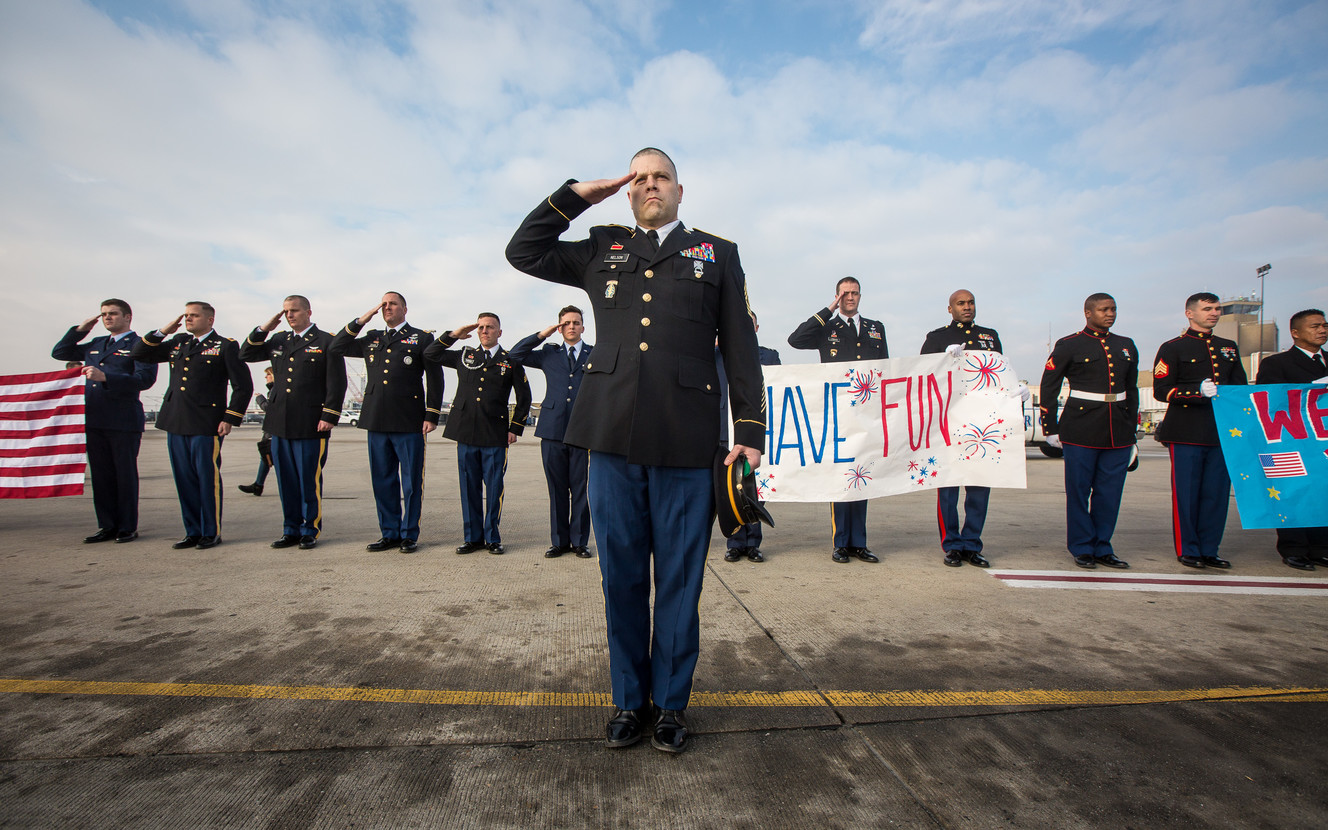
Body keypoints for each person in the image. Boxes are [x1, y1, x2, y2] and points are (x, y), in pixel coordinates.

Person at [505, 147, 765, 754]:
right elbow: (523, 252)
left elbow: (741, 348)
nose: (651, 186)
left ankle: (671, 705)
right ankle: (629, 699)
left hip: (687, 437)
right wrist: (575, 196)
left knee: (679, 578)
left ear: (680, 188)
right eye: (640, 179)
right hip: (611, 437)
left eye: (661, 177)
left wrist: (748, 428)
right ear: (627, 192)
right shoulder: (601, 246)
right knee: (620, 576)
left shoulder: (716, 254)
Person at [130, 301, 252, 549]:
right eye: (186, 315)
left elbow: (243, 386)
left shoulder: (224, 346)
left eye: (194, 316)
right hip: (176, 420)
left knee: (206, 478)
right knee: (183, 479)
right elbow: (139, 353)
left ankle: (210, 531)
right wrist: (164, 331)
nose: (188, 319)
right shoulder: (178, 342)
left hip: (206, 422)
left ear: (210, 320)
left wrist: (230, 418)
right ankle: (192, 531)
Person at [329, 292, 442, 554]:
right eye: (383, 304)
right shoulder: (371, 338)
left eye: (392, 304)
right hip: (376, 418)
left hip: (409, 419)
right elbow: (337, 347)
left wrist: (431, 414)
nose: (387, 307)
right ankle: (389, 533)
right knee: (382, 479)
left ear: (404, 308)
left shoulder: (421, 338)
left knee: (411, 482)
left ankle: (408, 534)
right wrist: (362, 320)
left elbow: (435, 378)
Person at [787, 276, 888, 564]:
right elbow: (796, 340)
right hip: (839, 411)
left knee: (863, 476)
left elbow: (884, 367)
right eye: (844, 294)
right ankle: (841, 542)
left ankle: (860, 543)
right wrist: (828, 309)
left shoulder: (875, 328)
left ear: (860, 296)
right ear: (837, 296)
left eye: (854, 293)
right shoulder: (827, 327)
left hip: (866, 413)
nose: (850, 298)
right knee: (843, 477)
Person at [1039, 293, 1139, 570]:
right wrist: (1050, 427)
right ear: (1088, 312)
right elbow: (1049, 385)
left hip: (1117, 428)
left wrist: (1132, 431)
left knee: (1110, 493)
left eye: (1113, 309)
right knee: (1079, 491)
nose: (1110, 314)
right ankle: (1082, 546)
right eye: (1104, 310)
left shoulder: (1125, 345)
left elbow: (1131, 391)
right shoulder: (1069, 344)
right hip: (1080, 427)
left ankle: (1103, 546)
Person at [239, 296, 347, 550]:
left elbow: (336, 382)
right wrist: (265, 328)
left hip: (310, 422)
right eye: (286, 311)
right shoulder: (278, 340)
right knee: (285, 479)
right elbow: (245, 353)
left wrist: (329, 415)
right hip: (279, 421)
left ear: (308, 312)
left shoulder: (325, 341)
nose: (289, 315)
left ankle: (310, 529)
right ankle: (290, 529)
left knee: (308, 479)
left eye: (294, 311)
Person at [920, 289, 1017, 568]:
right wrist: (943, 361)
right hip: (950, 421)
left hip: (983, 422)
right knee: (948, 490)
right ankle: (951, 545)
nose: (967, 307)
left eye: (971, 302)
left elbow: (999, 373)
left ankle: (972, 544)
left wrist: (1012, 392)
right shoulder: (937, 338)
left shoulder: (990, 335)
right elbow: (924, 376)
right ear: (950, 309)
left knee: (978, 488)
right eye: (961, 303)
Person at [1151, 292, 1247, 569]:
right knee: (1187, 494)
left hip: (1221, 433)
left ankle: (1209, 549)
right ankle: (1189, 549)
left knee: (1216, 495)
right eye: (1207, 309)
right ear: (1189, 313)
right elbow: (1161, 389)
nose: (1214, 313)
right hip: (1186, 431)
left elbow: (1239, 389)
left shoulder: (1228, 347)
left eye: (1217, 309)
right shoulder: (1173, 348)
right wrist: (1194, 391)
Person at [51, 299, 158, 544]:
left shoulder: (141, 345)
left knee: (124, 474)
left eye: (113, 313)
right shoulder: (97, 344)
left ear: (128, 317)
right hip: (94, 417)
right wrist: (81, 329)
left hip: (122, 419)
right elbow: (60, 353)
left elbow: (144, 379)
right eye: (104, 314)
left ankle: (127, 526)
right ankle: (107, 526)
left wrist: (105, 377)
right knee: (101, 476)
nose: (107, 318)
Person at [424, 313, 532, 555]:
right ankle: (472, 538)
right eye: (481, 327)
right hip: (465, 432)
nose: (485, 331)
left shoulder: (510, 361)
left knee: (494, 489)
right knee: (469, 487)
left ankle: (492, 537)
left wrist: (515, 428)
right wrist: (454, 335)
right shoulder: (465, 355)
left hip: (495, 434)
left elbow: (524, 397)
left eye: (490, 327)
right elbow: (431, 354)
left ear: (499, 332)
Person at [508, 306, 595, 559]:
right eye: (566, 323)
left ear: (583, 327)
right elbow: (515, 355)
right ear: (559, 327)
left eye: (576, 322)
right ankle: (559, 542)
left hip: (583, 430)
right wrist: (542, 335)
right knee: (556, 488)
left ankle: (580, 542)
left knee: (580, 489)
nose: (571, 326)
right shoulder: (549, 353)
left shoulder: (594, 353)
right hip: (552, 428)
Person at [1254, 308, 1328, 570]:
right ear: (1295, 333)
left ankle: (1321, 547)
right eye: (1315, 326)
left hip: (1323, 441)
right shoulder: (1277, 364)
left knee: (1322, 491)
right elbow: (1269, 402)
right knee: (1294, 493)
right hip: (1292, 439)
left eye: (1324, 325)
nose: (1322, 330)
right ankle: (1294, 548)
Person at [723, 312, 780, 563]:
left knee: (757, 489)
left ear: (756, 327)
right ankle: (735, 542)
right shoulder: (720, 353)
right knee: (733, 487)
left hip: (758, 432)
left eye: (750, 323)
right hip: (730, 429)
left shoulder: (770, 356)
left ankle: (753, 543)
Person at [238, 367, 275, 497]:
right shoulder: (273, 389)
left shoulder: (275, 390)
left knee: (270, 457)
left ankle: (258, 485)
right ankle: (258, 485)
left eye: (268, 375)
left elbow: (269, 409)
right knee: (266, 457)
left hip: (274, 431)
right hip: (271, 430)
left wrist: (260, 399)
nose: (266, 378)